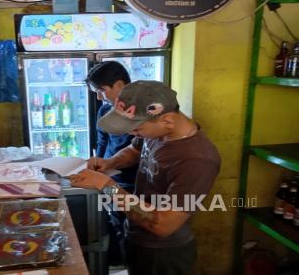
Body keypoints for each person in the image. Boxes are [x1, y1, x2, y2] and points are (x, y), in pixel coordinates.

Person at [70, 81, 221, 275]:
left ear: (168, 120)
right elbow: (135, 149)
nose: (132, 133)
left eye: (136, 129)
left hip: (163, 254)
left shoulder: (197, 160)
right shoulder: (158, 129)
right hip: (136, 235)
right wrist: (111, 162)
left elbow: (164, 224)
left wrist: (108, 186)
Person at [86, 61, 138, 267]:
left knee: (133, 229)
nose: (99, 96)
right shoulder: (105, 110)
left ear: (119, 85)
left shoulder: (143, 112)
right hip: (111, 177)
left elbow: (138, 150)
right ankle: (122, 264)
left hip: (132, 181)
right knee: (117, 226)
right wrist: (99, 165)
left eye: (101, 90)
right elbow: (103, 141)